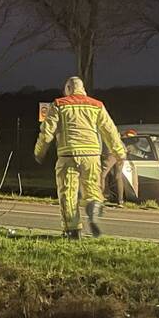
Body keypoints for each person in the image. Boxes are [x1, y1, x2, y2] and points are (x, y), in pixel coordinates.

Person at [34, 76, 126, 239]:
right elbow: (110, 131)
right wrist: (119, 153)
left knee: (68, 193)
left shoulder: (59, 104)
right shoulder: (97, 105)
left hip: (68, 155)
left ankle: (73, 230)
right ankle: (94, 205)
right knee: (92, 187)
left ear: (68, 88)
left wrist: (39, 152)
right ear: (82, 88)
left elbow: (47, 132)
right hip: (91, 155)